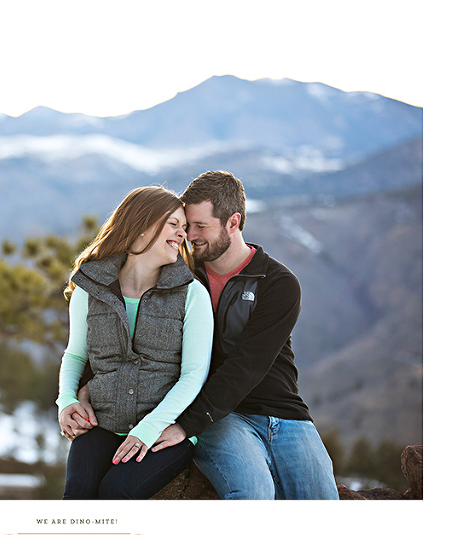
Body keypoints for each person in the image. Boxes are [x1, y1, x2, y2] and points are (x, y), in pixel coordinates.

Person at [147, 170, 339, 499]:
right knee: (253, 494)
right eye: (186, 225)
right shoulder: (180, 279)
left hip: (285, 414)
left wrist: (186, 424)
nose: (189, 236)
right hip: (220, 416)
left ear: (233, 222)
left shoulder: (278, 283)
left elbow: (248, 364)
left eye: (201, 226)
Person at [57, 186, 214, 499]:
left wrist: (149, 428)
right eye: (173, 224)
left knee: (118, 492)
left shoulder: (192, 294)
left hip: (162, 432)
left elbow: (194, 374)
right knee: (78, 495)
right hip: (100, 424)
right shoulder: (90, 287)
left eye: (184, 227)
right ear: (142, 226)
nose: (182, 233)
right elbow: (75, 356)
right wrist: (66, 401)